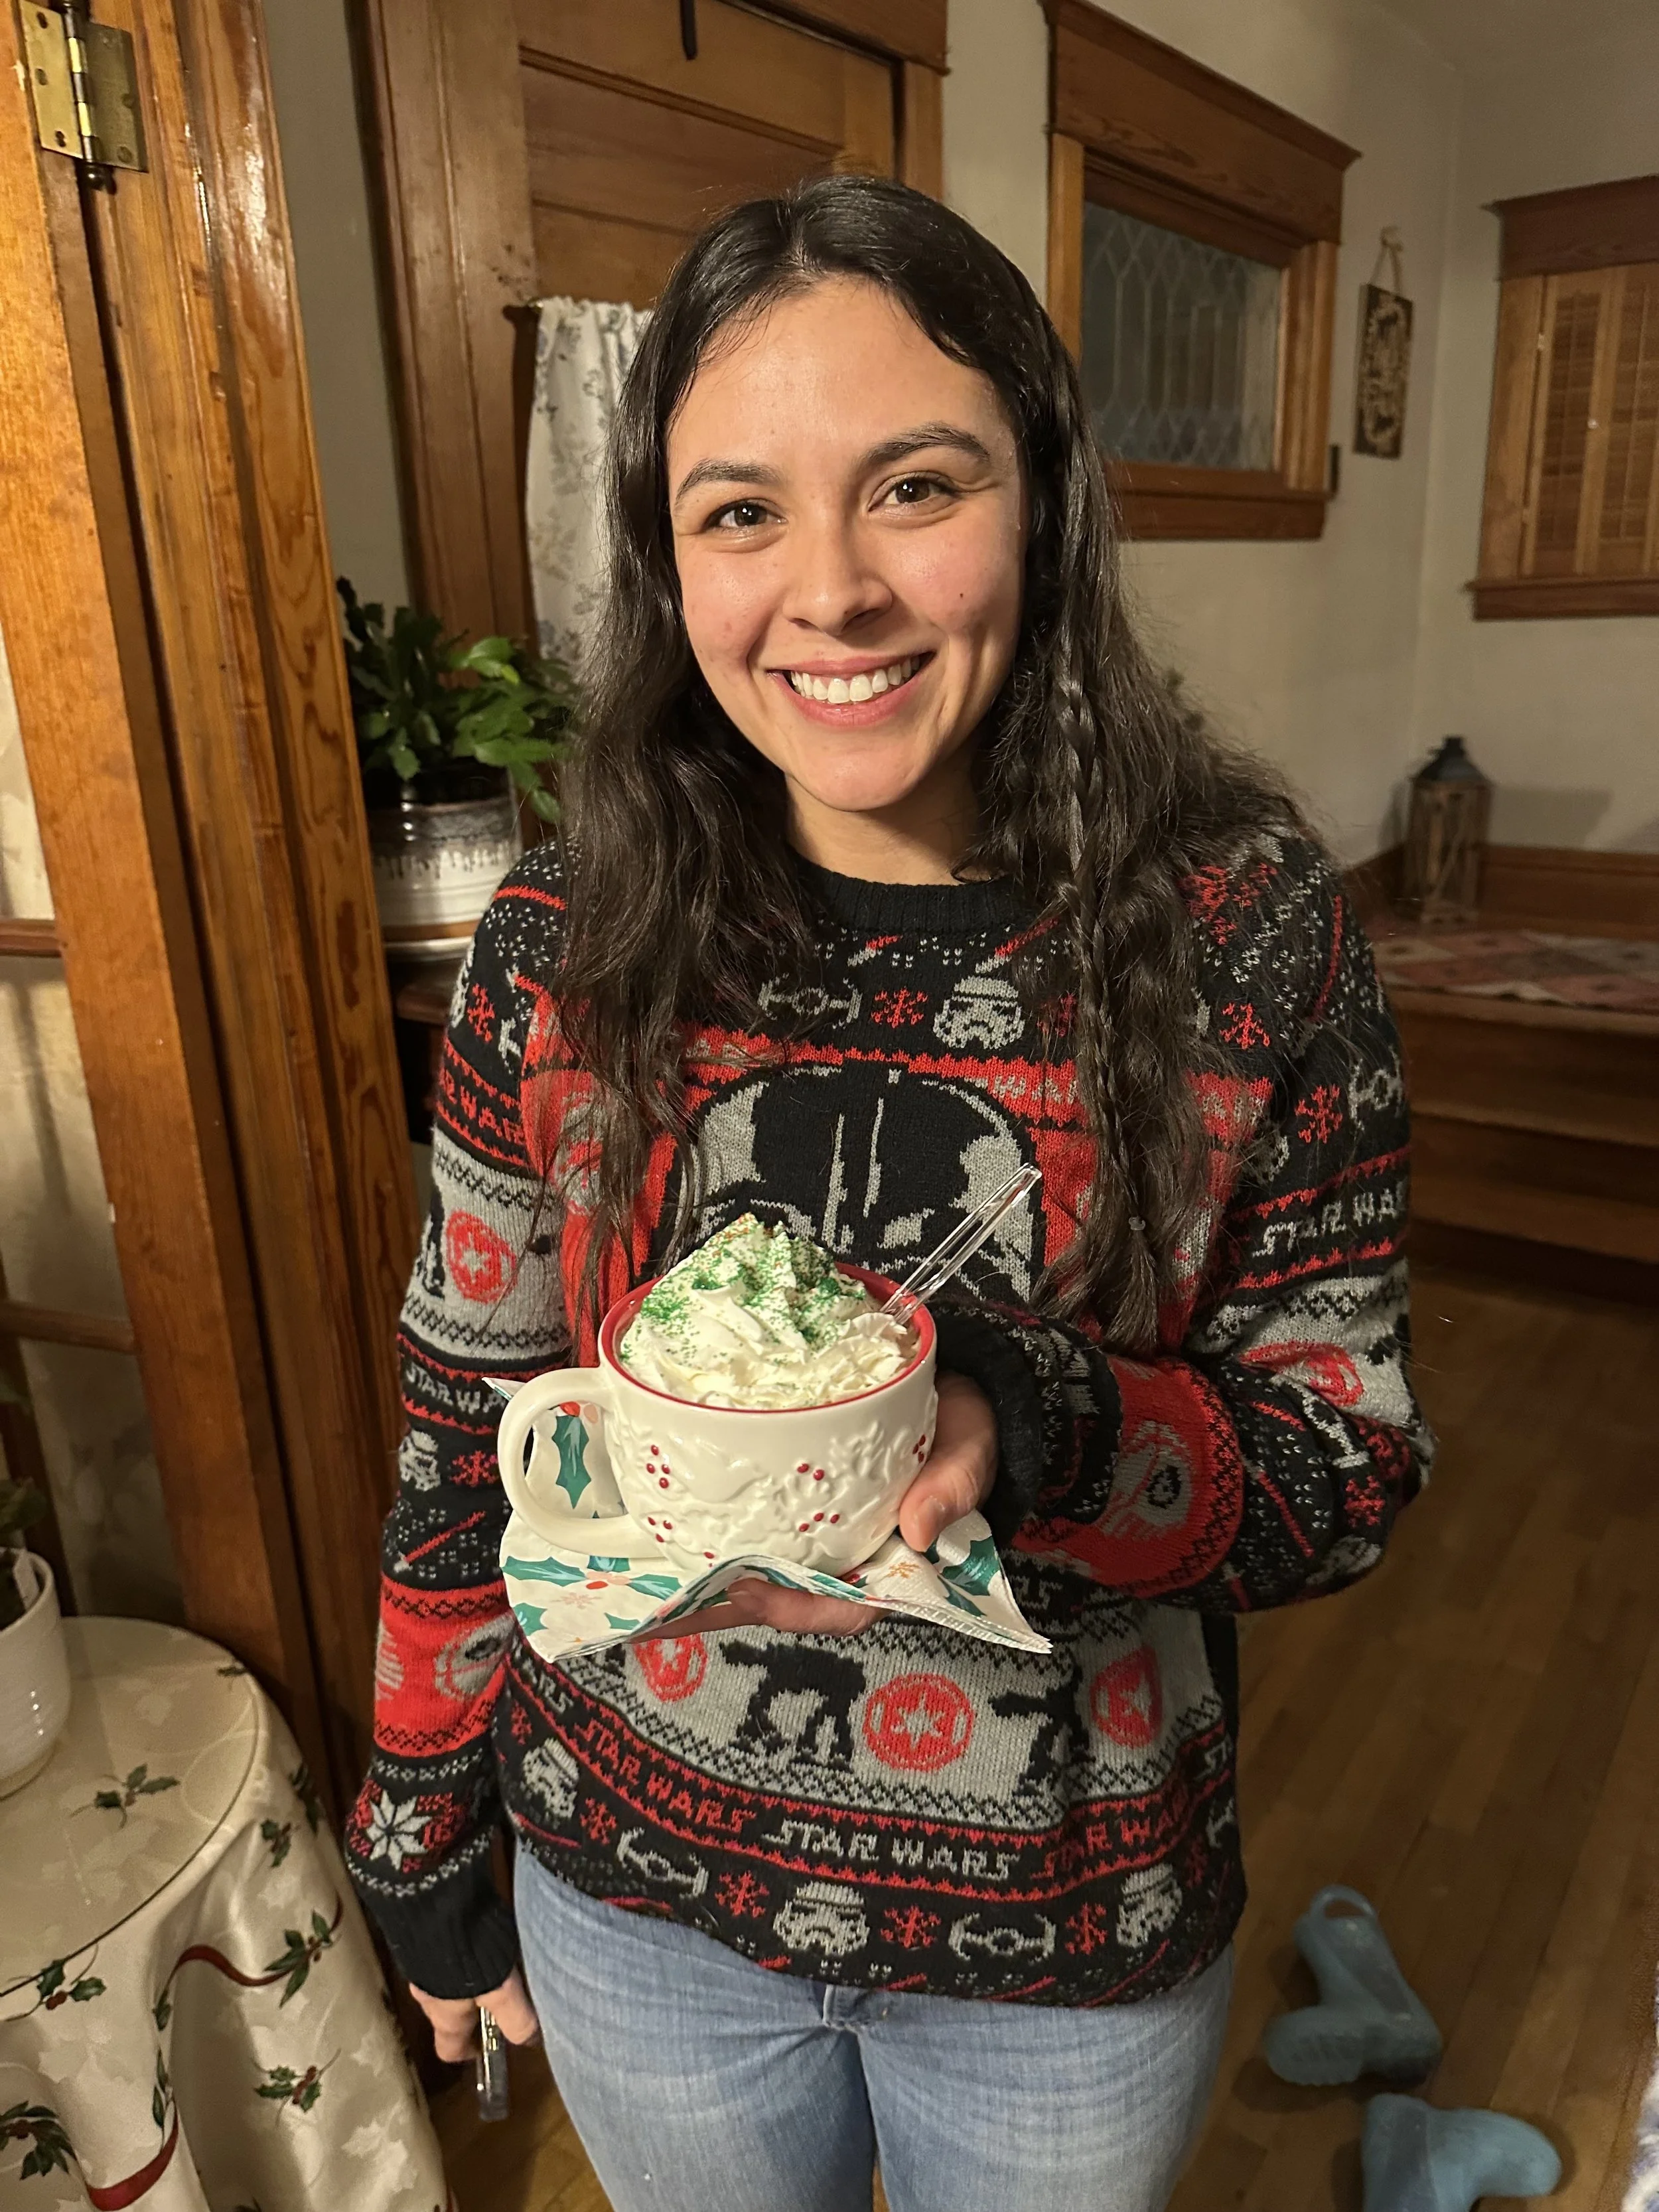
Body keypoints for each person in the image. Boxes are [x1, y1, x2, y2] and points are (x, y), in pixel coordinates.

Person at [347, 176, 1433, 2212]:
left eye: (913, 485)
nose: (827, 590)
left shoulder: (1248, 932)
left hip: (1063, 1948)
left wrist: (1039, 1421)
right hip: (632, 1900)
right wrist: (419, 1812)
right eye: (739, 509)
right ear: (668, 566)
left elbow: (1343, 1460)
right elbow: (462, 1412)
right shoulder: (565, 938)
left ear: (1039, 500)